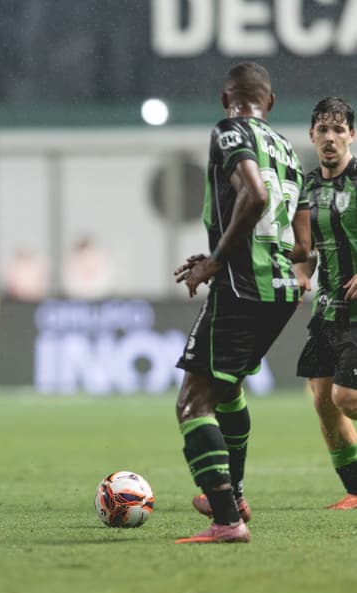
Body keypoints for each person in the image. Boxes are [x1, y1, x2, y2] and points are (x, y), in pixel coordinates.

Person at [172, 62, 310, 543]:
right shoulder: (289, 149)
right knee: (228, 390)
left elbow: (252, 197)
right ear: (269, 101)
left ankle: (227, 519)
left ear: (224, 98)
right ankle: (232, 494)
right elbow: (300, 242)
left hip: (241, 286)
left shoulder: (230, 131)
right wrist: (219, 252)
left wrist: (215, 262)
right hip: (281, 290)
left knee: (193, 404)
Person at [294, 96, 357, 511]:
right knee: (321, 398)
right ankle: (355, 489)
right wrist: (300, 274)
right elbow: (304, 248)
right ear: (312, 136)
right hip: (328, 309)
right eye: (323, 130)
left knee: (346, 397)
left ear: (352, 135)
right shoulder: (308, 187)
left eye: (338, 130)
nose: (330, 138)